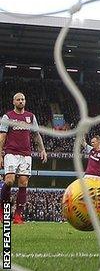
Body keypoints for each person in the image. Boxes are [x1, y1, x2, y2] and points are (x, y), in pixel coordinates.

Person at [0, 92, 48, 224]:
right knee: (9, 181)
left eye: (23, 99)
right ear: (13, 102)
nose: (21, 101)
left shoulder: (30, 117)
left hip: (26, 154)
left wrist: (42, 149)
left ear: (25, 102)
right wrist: (0, 154)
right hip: (11, 153)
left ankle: (17, 216)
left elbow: (36, 134)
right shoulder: (7, 117)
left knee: (23, 183)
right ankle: (3, 211)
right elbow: (2, 136)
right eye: (18, 99)